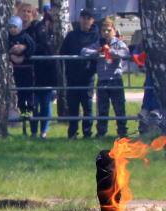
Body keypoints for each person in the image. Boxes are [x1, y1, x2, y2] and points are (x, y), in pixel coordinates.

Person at [83, 17, 129, 138]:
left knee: (119, 109)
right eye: (104, 30)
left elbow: (125, 53)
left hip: (115, 80)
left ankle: (122, 133)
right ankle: (101, 132)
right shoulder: (98, 43)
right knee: (102, 109)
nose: (106, 33)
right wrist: (97, 52)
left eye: (109, 30)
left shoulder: (119, 43)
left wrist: (111, 52)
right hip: (102, 80)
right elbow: (83, 51)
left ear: (114, 30)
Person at [59, 10, 98, 139]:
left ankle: (87, 133)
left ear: (92, 20)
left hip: (88, 77)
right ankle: (72, 133)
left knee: (87, 106)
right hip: (72, 76)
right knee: (73, 106)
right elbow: (62, 52)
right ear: (80, 19)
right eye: (83, 17)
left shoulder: (96, 36)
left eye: (88, 18)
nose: (85, 20)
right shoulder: (71, 35)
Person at [29, 13, 57, 139]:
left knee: (45, 104)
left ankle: (43, 131)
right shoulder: (34, 32)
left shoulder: (54, 36)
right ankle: (34, 131)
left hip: (47, 74)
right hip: (35, 73)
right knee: (34, 105)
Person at [7, 16, 35, 134]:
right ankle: (23, 111)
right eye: (11, 27)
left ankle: (30, 109)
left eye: (15, 27)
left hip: (27, 69)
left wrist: (24, 55)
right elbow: (5, 49)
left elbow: (32, 47)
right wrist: (11, 56)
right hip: (17, 70)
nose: (13, 30)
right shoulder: (7, 38)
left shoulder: (25, 37)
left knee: (28, 90)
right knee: (20, 92)